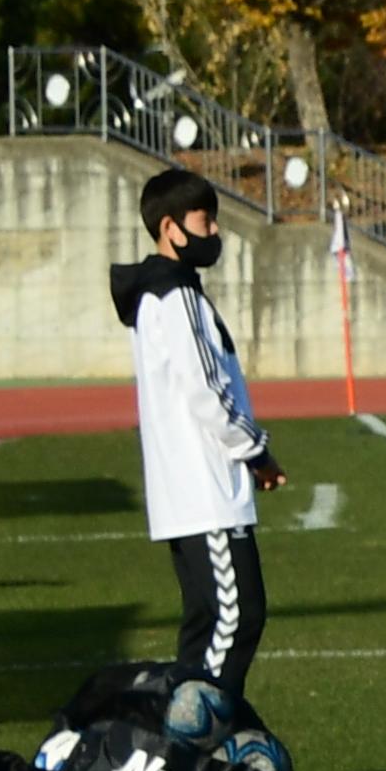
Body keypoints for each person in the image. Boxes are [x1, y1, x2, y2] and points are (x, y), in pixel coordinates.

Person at [116, 168, 280, 721]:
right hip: (205, 491)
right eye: (204, 220)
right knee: (238, 618)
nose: (214, 232)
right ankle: (196, 739)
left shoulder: (165, 294)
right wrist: (253, 448)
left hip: (193, 491)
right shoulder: (175, 295)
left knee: (207, 622)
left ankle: (186, 742)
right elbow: (205, 388)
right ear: (170, 228)